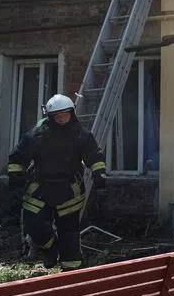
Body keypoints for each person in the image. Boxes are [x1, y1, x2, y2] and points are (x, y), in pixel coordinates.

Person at [7, 94, 107, 271]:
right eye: (57, 116)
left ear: (72, 114)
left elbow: (94, 156)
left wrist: (99, 175)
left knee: (69, 234)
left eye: (65, 114)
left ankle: (71, 272)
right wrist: (15, 179)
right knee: (34, 225)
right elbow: (18, 158)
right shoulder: (36, 135)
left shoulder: (81, 135)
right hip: (39, 188)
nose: (61, 119)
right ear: (50, 116)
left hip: (69, 191)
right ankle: (50, 248)